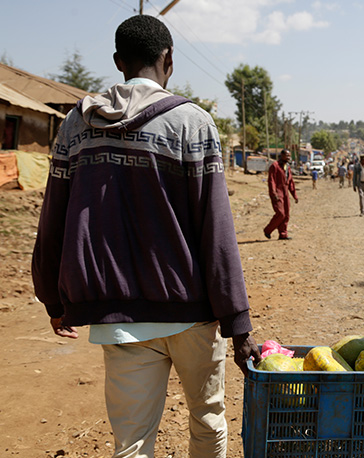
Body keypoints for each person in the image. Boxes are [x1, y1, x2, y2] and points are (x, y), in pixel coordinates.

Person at [31, 15, 261, 458]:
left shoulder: (76, 127)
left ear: (119, 62)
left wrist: (53, 299)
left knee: (131, 442)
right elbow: (216, 231)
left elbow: (53, 217)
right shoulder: (192, 123)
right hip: (192, 312)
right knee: (207, 422)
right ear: (169, 59)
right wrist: (238, 325)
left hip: (120, 320)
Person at [264, 149, 299, 240]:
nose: (288, 157)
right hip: (277, 192)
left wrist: (294, 195)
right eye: (287, 155)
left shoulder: (287, 167)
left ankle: (283, 234)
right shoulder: (275, 166)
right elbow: (271, 180)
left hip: (285, 193)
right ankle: (268, 230)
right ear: (282, 155)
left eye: (289, 156)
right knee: (281, 213)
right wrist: (273, 192)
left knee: (286, 214)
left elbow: (290, 182)